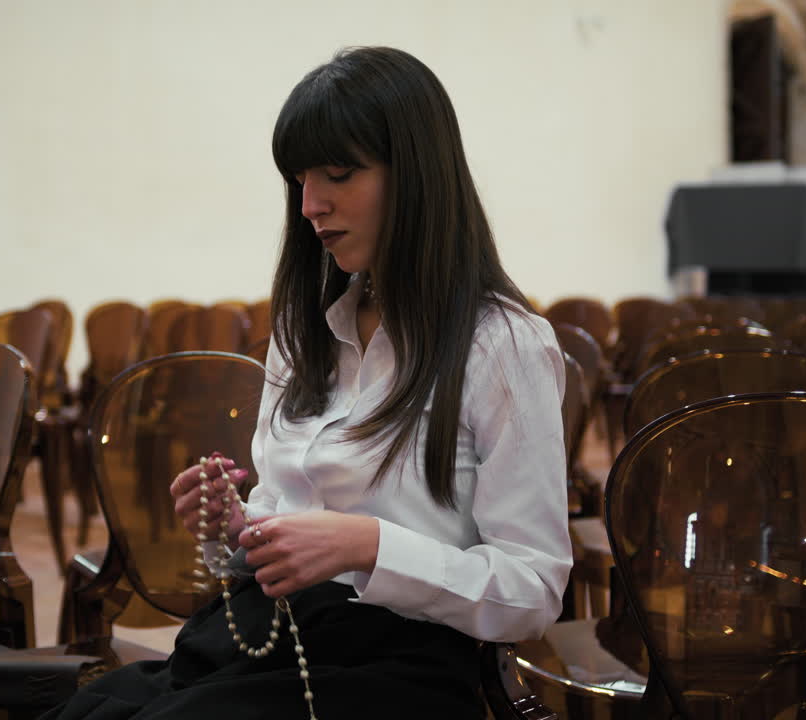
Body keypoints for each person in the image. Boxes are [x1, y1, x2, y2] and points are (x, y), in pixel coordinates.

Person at [43, 45, 571, 720]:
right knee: (88, 710)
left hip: (398, 666)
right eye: (299, 180)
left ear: (418, 174)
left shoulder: (502, 347)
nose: (310, 206)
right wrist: (241, 529)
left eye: (338, 174)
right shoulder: (309, 329)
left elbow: (532, 592)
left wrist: (368, 545)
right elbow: (284, 514)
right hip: (276, 638)